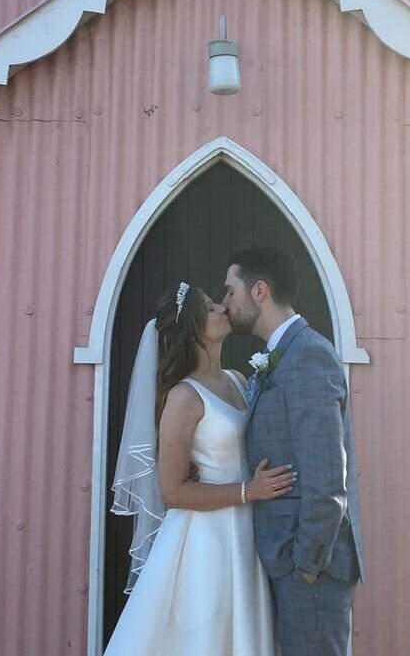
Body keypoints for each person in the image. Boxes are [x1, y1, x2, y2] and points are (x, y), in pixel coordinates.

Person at [104, 281, 293, 656]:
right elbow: (172, 491)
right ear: (192, 329)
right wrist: (247, 491)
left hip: (247, 536)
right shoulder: (184, 397)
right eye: (209, 308)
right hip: (205, 541)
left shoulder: (239, 381)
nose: (222, 309)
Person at [222, 247, 366, 656]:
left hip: (308, 572)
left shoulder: (308, 356)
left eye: (231, 292)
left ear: (260, 291)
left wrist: (306, 564)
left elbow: (326, 476)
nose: (226, 304)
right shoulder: (279, 357)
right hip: (284, 563)